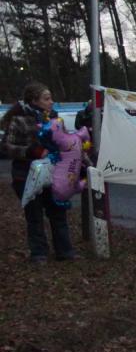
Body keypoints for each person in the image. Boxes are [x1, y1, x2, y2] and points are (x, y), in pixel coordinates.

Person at [0, 82, 76, 263]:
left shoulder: (55, 119)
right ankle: (39, 253)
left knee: (58, 213)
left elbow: (65, 142)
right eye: (46, 99)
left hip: (53, 173)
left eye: (51, 98)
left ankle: (65, 252)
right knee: (34, 216)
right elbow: (6, 147)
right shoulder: (18, 119)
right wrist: (30, 151)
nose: (51, 102)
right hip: (26, 175)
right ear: (34, 100)